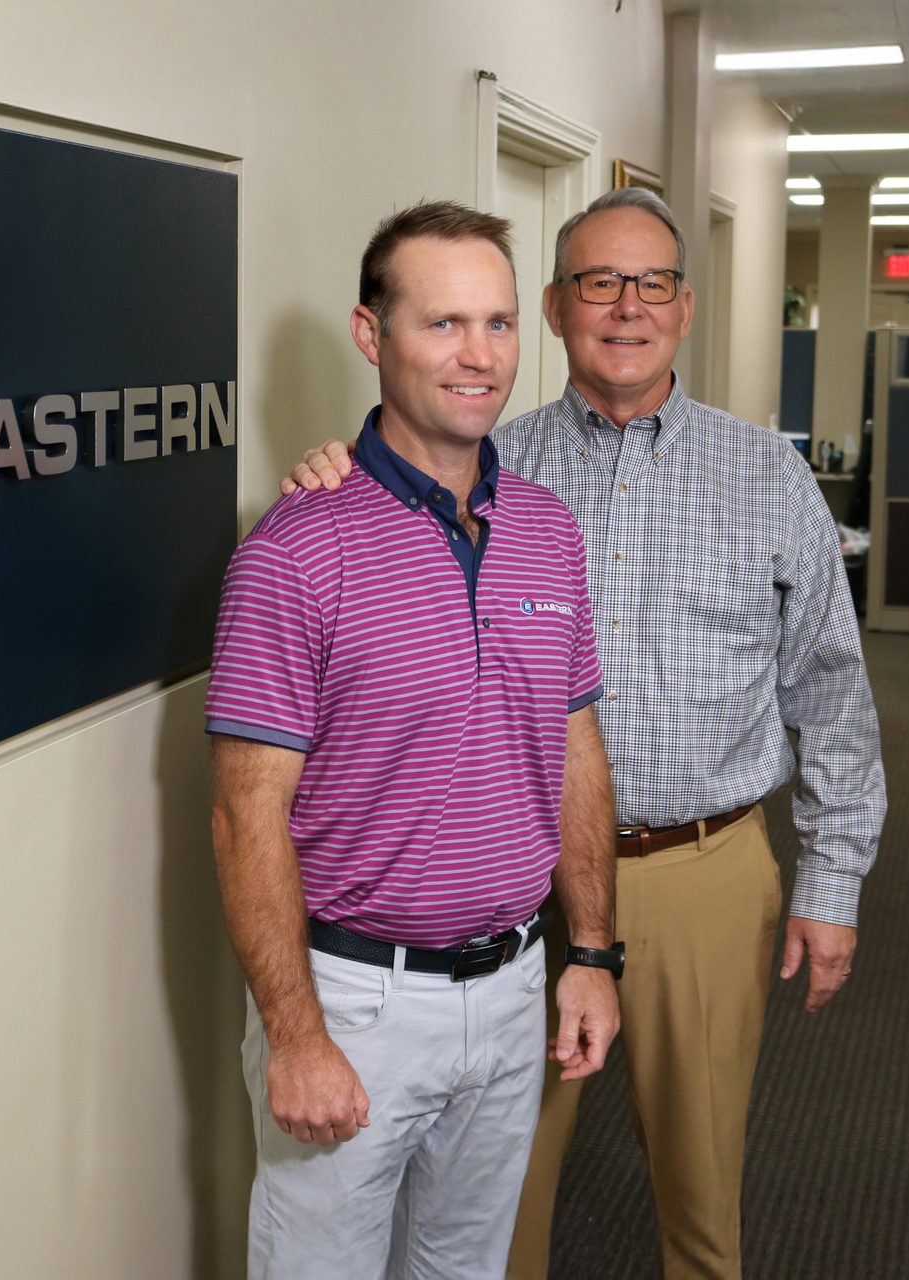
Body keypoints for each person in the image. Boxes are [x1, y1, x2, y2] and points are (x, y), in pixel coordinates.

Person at [284, 188, 887, 1280]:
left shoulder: (767, 475)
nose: (626, 307)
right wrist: (329, 473)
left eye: (652, 282)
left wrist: (831, 880)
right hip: (523, 890)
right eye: (598, 283)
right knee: (497, 1205)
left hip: (704, 867)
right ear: (556, 309)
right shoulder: (482, 464)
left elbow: (833, 693)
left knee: (702, 1200)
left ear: (687, 307)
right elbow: (369, 526)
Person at [208, 200, 625, 1280]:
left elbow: (575, 747)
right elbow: (242, 811)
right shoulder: (296, 549)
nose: (478, 355)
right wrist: (295, 1033)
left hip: (512, 982)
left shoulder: (546, 528)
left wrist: (590, 950)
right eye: (443, 323)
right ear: (371, 333)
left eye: (495, 322)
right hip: (357, 1001)